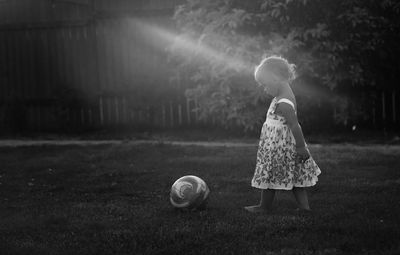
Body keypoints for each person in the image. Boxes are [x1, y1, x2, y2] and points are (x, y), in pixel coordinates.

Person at [245, 56, 321, 213]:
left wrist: (301, 147)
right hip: (281, 145)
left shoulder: (284, 103)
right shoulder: (282, 96)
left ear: (275, 78)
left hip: (280, 147)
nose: (264, 89)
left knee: (270, 174)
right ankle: (304, 207)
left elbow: (295, 125)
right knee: (295, 175)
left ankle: (264, 207)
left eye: (265, 85)